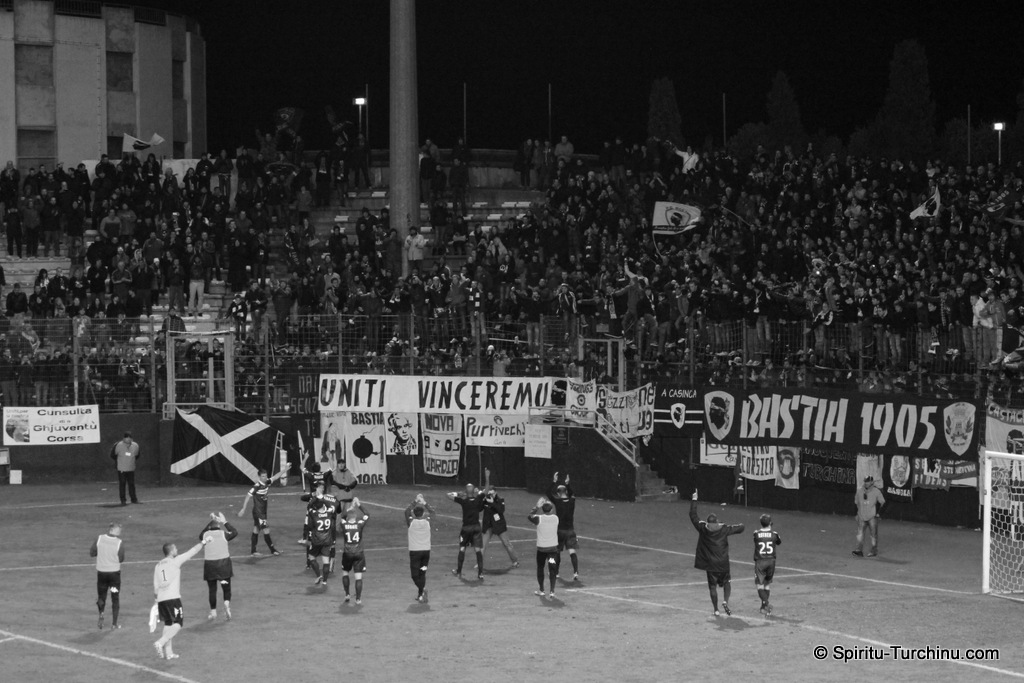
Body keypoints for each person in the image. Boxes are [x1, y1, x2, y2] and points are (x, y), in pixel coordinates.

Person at [153, 535, 211, 660]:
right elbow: (192, 551)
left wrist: (156, 601)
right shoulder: (175, 561)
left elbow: (156, 586)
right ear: (171, 551)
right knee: (178, 623)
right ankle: (160, 642)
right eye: (175, 548)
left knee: (168, 623)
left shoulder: (157, 565)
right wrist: (204, 542)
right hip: (173, 598)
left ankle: (169, 653)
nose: (177, 550)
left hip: (162, 599)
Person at [690, 490, 745, 617]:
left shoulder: (703, 528)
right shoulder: (724, 529)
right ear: (717, 521)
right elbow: (740, 528)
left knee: (712, 587)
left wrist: (694, 499)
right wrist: (740, 525)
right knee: (727, 582)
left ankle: (716, 610)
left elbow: (693, 515)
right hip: (723, 563)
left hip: (710, 564)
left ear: (707, 522)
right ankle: (725, 601)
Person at [237, 468, 286, 556]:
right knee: (266, 529)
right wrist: (243, 508)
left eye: (266, 476)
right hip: (258, 512)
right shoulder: (257, 486)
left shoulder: (267, 482)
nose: (265, 477)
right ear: (259, 477)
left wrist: (285, 469)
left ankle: (253, 551)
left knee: (256, 529)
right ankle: (273, 550)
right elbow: (248, 496)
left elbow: (275, 477)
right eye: (263, 476)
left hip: (262, 511)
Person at [200, 512, 237, 621]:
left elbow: (201, 533)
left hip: (210, 566)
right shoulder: (223, 534)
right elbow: (235, 532)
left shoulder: (205, 535)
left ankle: (213, 612)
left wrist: (211, 520)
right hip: (224, 565)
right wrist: (224, 521)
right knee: (226, 588)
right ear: (219, 527)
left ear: (210, 527)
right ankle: (226, 603)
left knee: (212, 589)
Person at [89, 522, 125, 630]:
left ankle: (101, 613)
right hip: (114, 576)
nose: (120, 532)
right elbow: (121, 559)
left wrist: (101, 553)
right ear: (111, 530)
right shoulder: (119, 542)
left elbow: (92, 553)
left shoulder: (99, 538)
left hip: (102, 574)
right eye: (118, 530)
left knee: (101, 596)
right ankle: (114, 624)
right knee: (115, 597)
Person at [447, 483, 486, 580]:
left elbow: (448, 495)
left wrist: (459, 494)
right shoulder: (478, 499)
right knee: (478, 551)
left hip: (466, 528)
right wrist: (487, 478)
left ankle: (459, 571)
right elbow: (486, 490)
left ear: (465, 491)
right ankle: (480, 573)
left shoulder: (463, 501)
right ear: (473, 491)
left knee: (462, 549)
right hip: (476, 527)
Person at [481, 468, 518, 568]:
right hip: (488, 526)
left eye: (492, 493)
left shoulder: (500, 500)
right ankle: (479, 563)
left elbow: (501, 510)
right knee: (482, 546)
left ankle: (515, 561)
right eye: (489, 493)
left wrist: (492, 503)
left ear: (495, 492)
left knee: (507, 544)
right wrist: (482, 499)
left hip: (499, 526)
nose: (491, 494)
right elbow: (479, 508)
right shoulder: (485, 500)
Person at [338, 498, 369, 605]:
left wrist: (349, 508)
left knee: (345, 573)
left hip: (347, 553)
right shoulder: (360, 524)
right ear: (355, 516)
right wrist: (358, 505)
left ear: (348, 517)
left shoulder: (344, 524)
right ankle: (358, 599)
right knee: (358, 577)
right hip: (358, 553)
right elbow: (367, 514)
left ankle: (347, 594)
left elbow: (342, 517)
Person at [549, 471, 579, 580]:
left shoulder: (558, 502)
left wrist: (554, 481)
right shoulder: (571, 501)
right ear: (566, 492)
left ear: (558, 493)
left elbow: (548, 493)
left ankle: (556, 573)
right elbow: (572, 494)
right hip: (570, 530)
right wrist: (567, 484)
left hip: (560, 531)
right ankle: (575, 572)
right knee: (572, 552)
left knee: (557, 552)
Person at [305, 490, 340, 586]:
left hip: (316, 541)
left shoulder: (314, 514)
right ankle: (325, 581)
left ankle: (318, 575)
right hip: (327, 540)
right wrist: (323, 499)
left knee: (311, 557)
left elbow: (309, 506)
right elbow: (332, 506)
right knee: (326, 561)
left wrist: (316, 497)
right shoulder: (329, 513)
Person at [528, 497, 560, 599]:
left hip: (541, 550)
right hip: (552, 551)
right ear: (551, 510)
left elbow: (530, 516)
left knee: (540, 568)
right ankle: (552, 591)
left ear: (542, 509)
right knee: (552, 569)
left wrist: (537, 507)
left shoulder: (539, 518)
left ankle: (542, 590)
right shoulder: (556, 518)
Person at [405, 493, 435, 603]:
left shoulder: (411, 523)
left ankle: (423, 590)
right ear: (423, 514)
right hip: (426, 553)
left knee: (414, 575)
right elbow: (433, 512)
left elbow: (406, 511)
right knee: (422, 573)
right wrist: (424, 502)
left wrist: (415, 501)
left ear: (414, 513)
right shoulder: (427, 522)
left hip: (415, 553)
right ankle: (420, 595)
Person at [753, 513, 781, 616]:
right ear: (770, 523)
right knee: (767, 584)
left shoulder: (756, 534)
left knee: (759, 585)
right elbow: (778, 542)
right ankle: (763, 608)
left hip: (760, 562)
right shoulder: (774, 534)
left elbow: (756, 539)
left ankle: (766, 603)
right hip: (771, 562)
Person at [853, 475, 886, 557]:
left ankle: (874, 551)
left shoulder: (876, 491)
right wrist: (857, 514)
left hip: (872, 517)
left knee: (873, 535)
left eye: (868, 481)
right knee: (860, 534)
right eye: (865, 481)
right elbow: (856, 503)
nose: (866, 483)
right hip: (862, 516)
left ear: (872, 482)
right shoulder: (860, 491)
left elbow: (882, 502)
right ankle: (859, 550)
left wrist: (878, 513)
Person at [110, 432, 140, 506]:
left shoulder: (135, 445)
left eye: (130, 438)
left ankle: (134, 499)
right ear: (123, 438)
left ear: (132, 439)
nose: (128, 439)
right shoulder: (118, 445)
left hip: (131, 468)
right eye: (127, 438)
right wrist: (120, 461)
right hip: (121, 468)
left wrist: (130, 461)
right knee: (122, 484)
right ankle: (123, 500)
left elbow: (137, 455)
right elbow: (113, 455)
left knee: (131, 484)